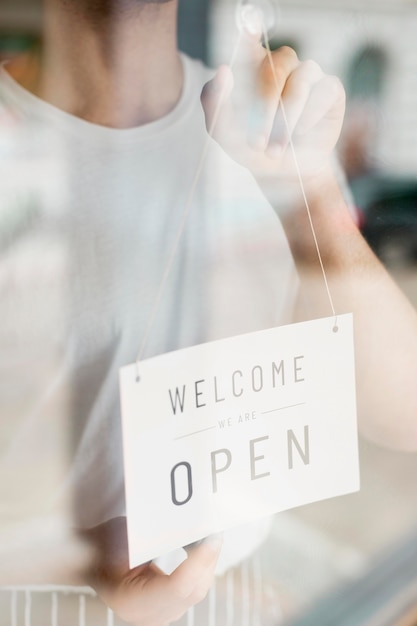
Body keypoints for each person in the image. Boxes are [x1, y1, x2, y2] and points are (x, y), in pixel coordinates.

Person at [2, 0, 417, 624]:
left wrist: (309, 187)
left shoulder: (258, 122)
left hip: (233, 594)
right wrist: (85, 575)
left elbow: (404, 413)